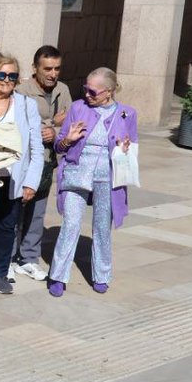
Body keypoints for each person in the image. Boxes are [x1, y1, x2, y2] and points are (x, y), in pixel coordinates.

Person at [48, 68, 138, 297]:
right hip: (77, 174)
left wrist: (125, 149)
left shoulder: (127, 114)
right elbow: (59, 145)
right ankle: (57, 276)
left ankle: (102, 275)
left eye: (93, 91)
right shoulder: (78, 108)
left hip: (107, 178)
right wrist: (67, 140)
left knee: (101, 228)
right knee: (70, 225)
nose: (87, 94)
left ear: (108, 92)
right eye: (85, 89)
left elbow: (133, 150)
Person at [0, 55, 43, 295]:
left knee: (7, 226)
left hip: (15, 176)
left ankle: (0, 271)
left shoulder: (26, 105)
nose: (7, 81)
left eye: (12, 76)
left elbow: (36, 148)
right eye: (2, 75)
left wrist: (31, 182)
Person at [15, 45, 71, 281]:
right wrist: (50, 124)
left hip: (48, 160)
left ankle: (29, 258)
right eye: (47, 68)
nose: (52, 73)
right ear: (35, 68)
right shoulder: (21, 91)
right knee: (16, 212)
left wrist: (55, 130)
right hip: (23, 160)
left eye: (57, 68)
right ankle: (7, 258)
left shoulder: (63, 90)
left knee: (37, 213)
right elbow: (19, 124)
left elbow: (71, 122)